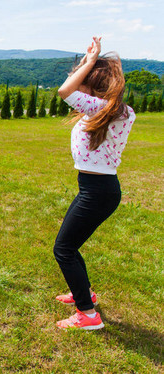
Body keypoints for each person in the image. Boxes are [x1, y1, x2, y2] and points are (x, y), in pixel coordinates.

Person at [53, 37, 135, 330]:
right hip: (96, 190)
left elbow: (64, 91)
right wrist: (87, 66)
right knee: (70, 247)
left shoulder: (108, 110)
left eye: (83, 80)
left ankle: (87, 314)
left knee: (63, 249)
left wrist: (88, 63)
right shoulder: (114, 111)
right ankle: (85, 294)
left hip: (97, 192)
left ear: (92, 85)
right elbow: (71, 91)